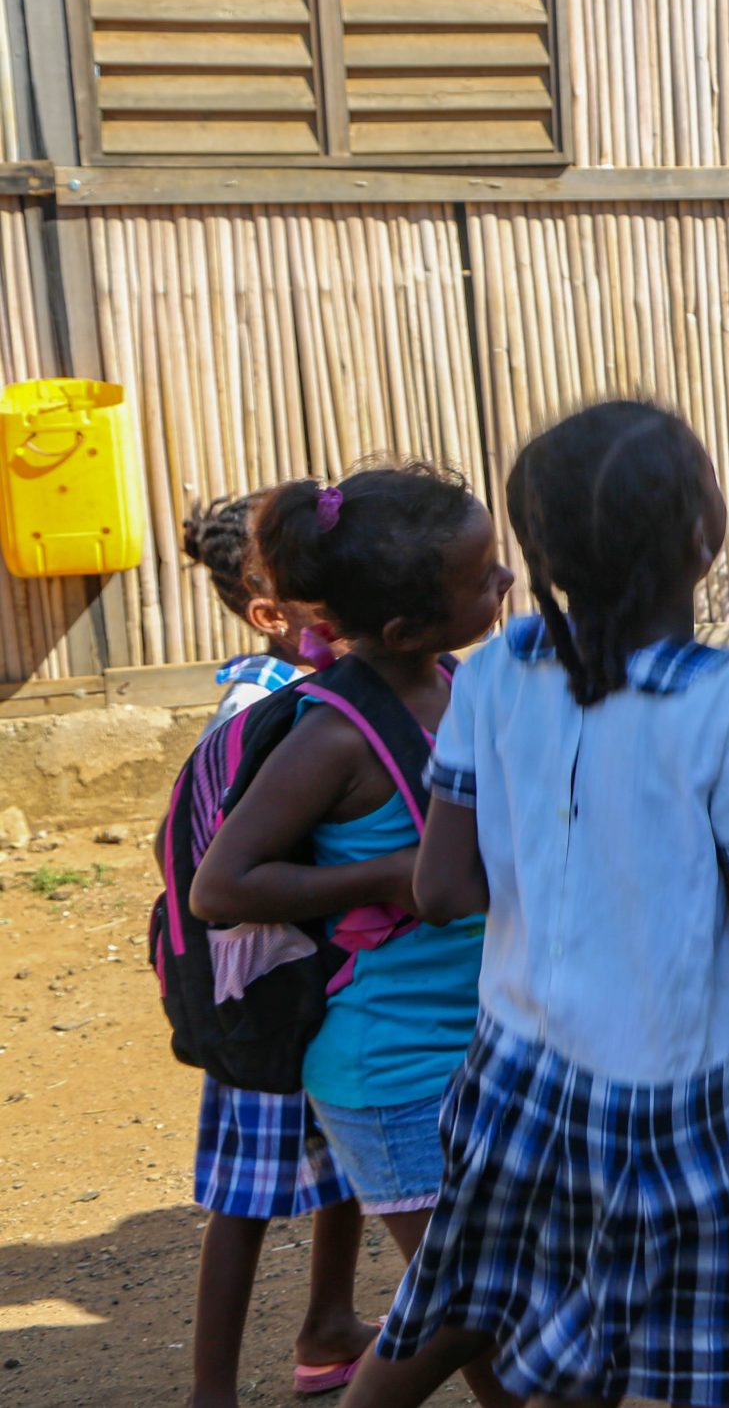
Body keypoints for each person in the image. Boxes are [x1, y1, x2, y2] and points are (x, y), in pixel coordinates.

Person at [345, 402, 729, 1408]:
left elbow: (442, 887)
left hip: (511, 1067)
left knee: (469, 1290)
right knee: (689, 1348)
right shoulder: (724, 697)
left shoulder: (497, 667)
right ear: (701, 534)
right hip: (664, 1095)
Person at [187, 468, 517, 1408]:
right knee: (468, 1309)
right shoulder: (332, 735)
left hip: (475, 1045)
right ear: (406, 628)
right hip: (389, 1069)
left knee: (485, 1304)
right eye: (480, 573)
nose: (502, 583)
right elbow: (222, 884)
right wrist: (387, 875)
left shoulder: (455, 683)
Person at [176, 494, 373, 1407]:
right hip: (262, 978)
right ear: (271, 613)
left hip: (325, 966)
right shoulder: (259, 700)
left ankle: (329, 1326)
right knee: (248, 1191)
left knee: (341, 1159)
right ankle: (212, 1388)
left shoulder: (336, 686)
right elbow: (206, 855)